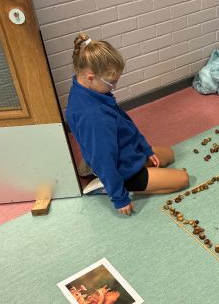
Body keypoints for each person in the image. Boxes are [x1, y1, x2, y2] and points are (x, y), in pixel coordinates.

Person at [66, 33, 189, 215]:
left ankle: (102, 173)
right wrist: (119, 197)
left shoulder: (87, 87)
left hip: (126, 150)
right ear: (90, 77)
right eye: (112, 82)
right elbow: (103, 158)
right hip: (120, 168)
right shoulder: (92, 116)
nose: (115, 87)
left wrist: (145, 148)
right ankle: (109, 184)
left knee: (169, 155)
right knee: (183, 179)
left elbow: (125, 123)